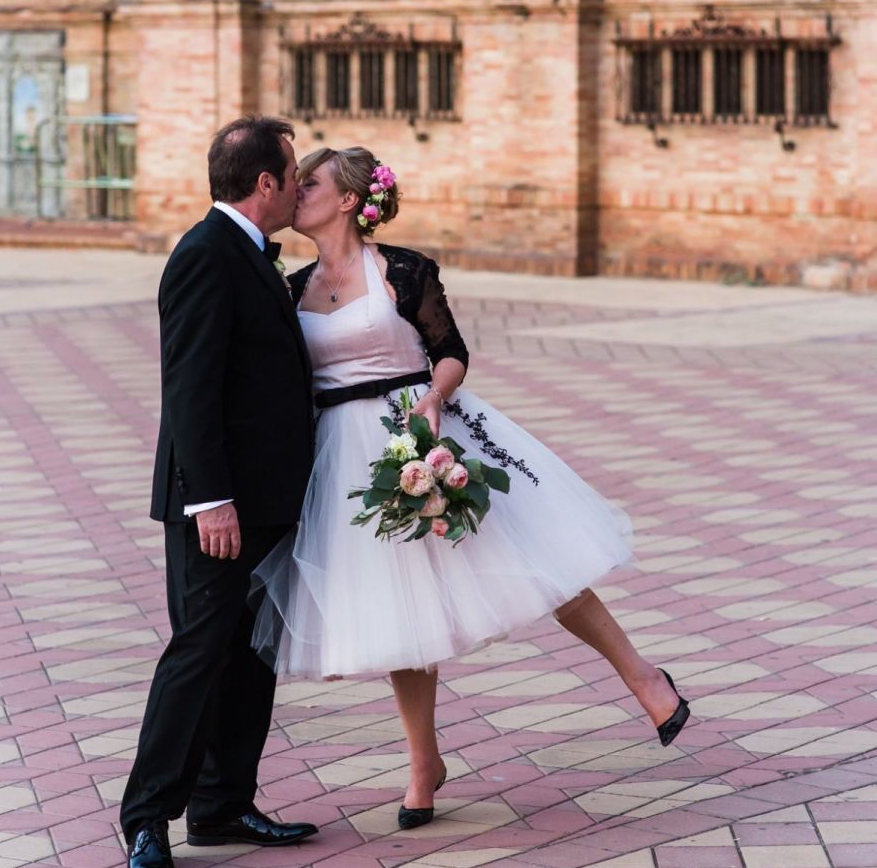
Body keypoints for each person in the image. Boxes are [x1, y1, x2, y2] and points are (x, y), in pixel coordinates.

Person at [251, 147, 691, 829]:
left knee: (527, 557)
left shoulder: (402, 269)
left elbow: (450, 349)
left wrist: (432, 400)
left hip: (424, 428)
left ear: (346, 200)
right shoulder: (292, 285)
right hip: (345, 456)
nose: (296, 192)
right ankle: (424, 763)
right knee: (403, 609)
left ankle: (643, 677)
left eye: (310, 183)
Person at [120, 116, 318, 868]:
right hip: (219, 503)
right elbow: (190, 390)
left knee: (249, 651)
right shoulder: (205, 255)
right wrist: (211, 501)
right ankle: (146, 817)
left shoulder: (248, 254)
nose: (300, 186)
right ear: (265, 183)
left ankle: (222, 804)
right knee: (199, 651)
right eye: (294, 174)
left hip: (264, 496)